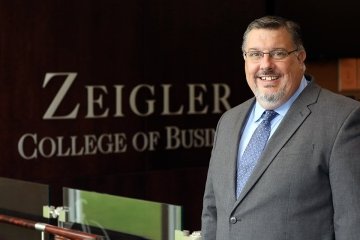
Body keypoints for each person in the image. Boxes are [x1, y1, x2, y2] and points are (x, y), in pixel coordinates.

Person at [201, 15, 360, 240]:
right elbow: (212, 211)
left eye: (278, 53)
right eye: (255, 54)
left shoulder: (343, 119)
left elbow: (353, 223)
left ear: (300, 58)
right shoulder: (229, 121)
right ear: (245, 59)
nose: (266, 65)